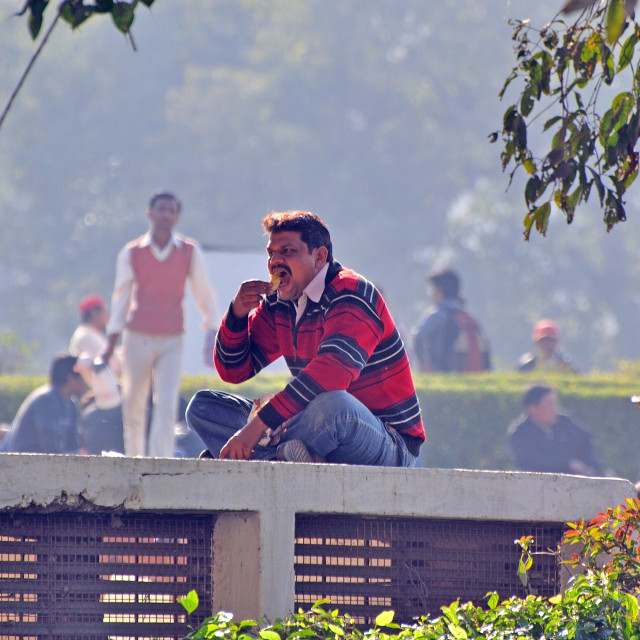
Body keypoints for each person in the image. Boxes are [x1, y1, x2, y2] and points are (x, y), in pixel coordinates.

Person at [186, 210, 425, 465]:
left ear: (319, 257)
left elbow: (331, 375)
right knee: (204, 406)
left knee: (335, 406)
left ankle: (261, 457)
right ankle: (281, 456)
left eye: (287, 251)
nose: (275, 261)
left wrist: (255, 428)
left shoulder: (352, 292)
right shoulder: (281, 302)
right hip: (309, 430)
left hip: (387, 443)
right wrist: (237, 315)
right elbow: (234, 371)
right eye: (271, 253)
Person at [101, 191, 219, 458]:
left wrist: (212, 329)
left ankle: (160, 463)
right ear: (149, 214)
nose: (165, 214)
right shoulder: (132, 252)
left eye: (170, 210)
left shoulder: (189, 252)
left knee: (166, 404)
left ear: (176, 217)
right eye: (160, 209)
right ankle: (134, 461)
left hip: (171, 339)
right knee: (133, 403)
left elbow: (204, 293)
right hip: (137, 337)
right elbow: (120, 299)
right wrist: (110, 345)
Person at [69, 294, 125, 455]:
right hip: (103, 396)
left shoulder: (93, 334)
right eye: (104, 310)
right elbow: (112, 366)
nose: (108, 315)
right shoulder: (86, 336)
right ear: (94, 312)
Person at [507, 384, 603, 476]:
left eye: (554, 404)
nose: (554, 409)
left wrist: (594, 470)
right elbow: (531, 462)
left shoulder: (565, 423)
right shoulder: (520, 434)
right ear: (533, 409)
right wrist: (567, 464)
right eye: (550, 405)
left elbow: (585, 441)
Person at [0, 353, 85, 454]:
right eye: (82, 376)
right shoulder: (46, 401)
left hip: (45, 464)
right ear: (70, 378)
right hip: (25, 464)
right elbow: (49, 446)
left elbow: (73, 445)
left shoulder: (71, 405)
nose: (85, 381)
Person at [411, 268, 491, 373]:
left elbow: (419, 336)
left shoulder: (437, 314)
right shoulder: (468, 315)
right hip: (467, 374)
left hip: (440, 372)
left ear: (438, 290)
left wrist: (424, 364)